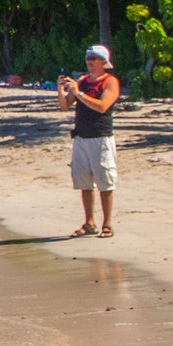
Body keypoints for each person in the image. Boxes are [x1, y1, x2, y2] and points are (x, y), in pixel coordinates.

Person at [58, 44, 121, 237]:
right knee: (84, 183)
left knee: (105, 182)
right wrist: (61, 89)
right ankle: (89, 223)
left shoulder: (110, 82)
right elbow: (65, 105)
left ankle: (107, 224)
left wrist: (79, 94)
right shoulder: (83, 81)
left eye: (94, 58)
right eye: (88, 58)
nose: (90, 62)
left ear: (104, 62)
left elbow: (102, 106)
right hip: (81, 138)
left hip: (100, 138)